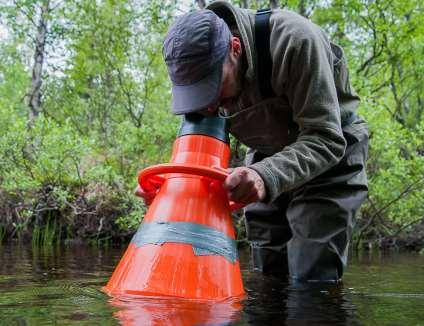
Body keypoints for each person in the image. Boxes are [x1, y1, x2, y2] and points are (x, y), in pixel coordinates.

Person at [136, 1, 368, 283]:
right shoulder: (195, 68)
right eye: (196, 94)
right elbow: (197, 155)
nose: (207, 106)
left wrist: (264, 175)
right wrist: (171, 190)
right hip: (267, 151)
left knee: (311, 275)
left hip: (330, 154)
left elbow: (326, 138)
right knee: (267, 271)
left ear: (235, 48)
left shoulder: (295, 41)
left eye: (212, 87)